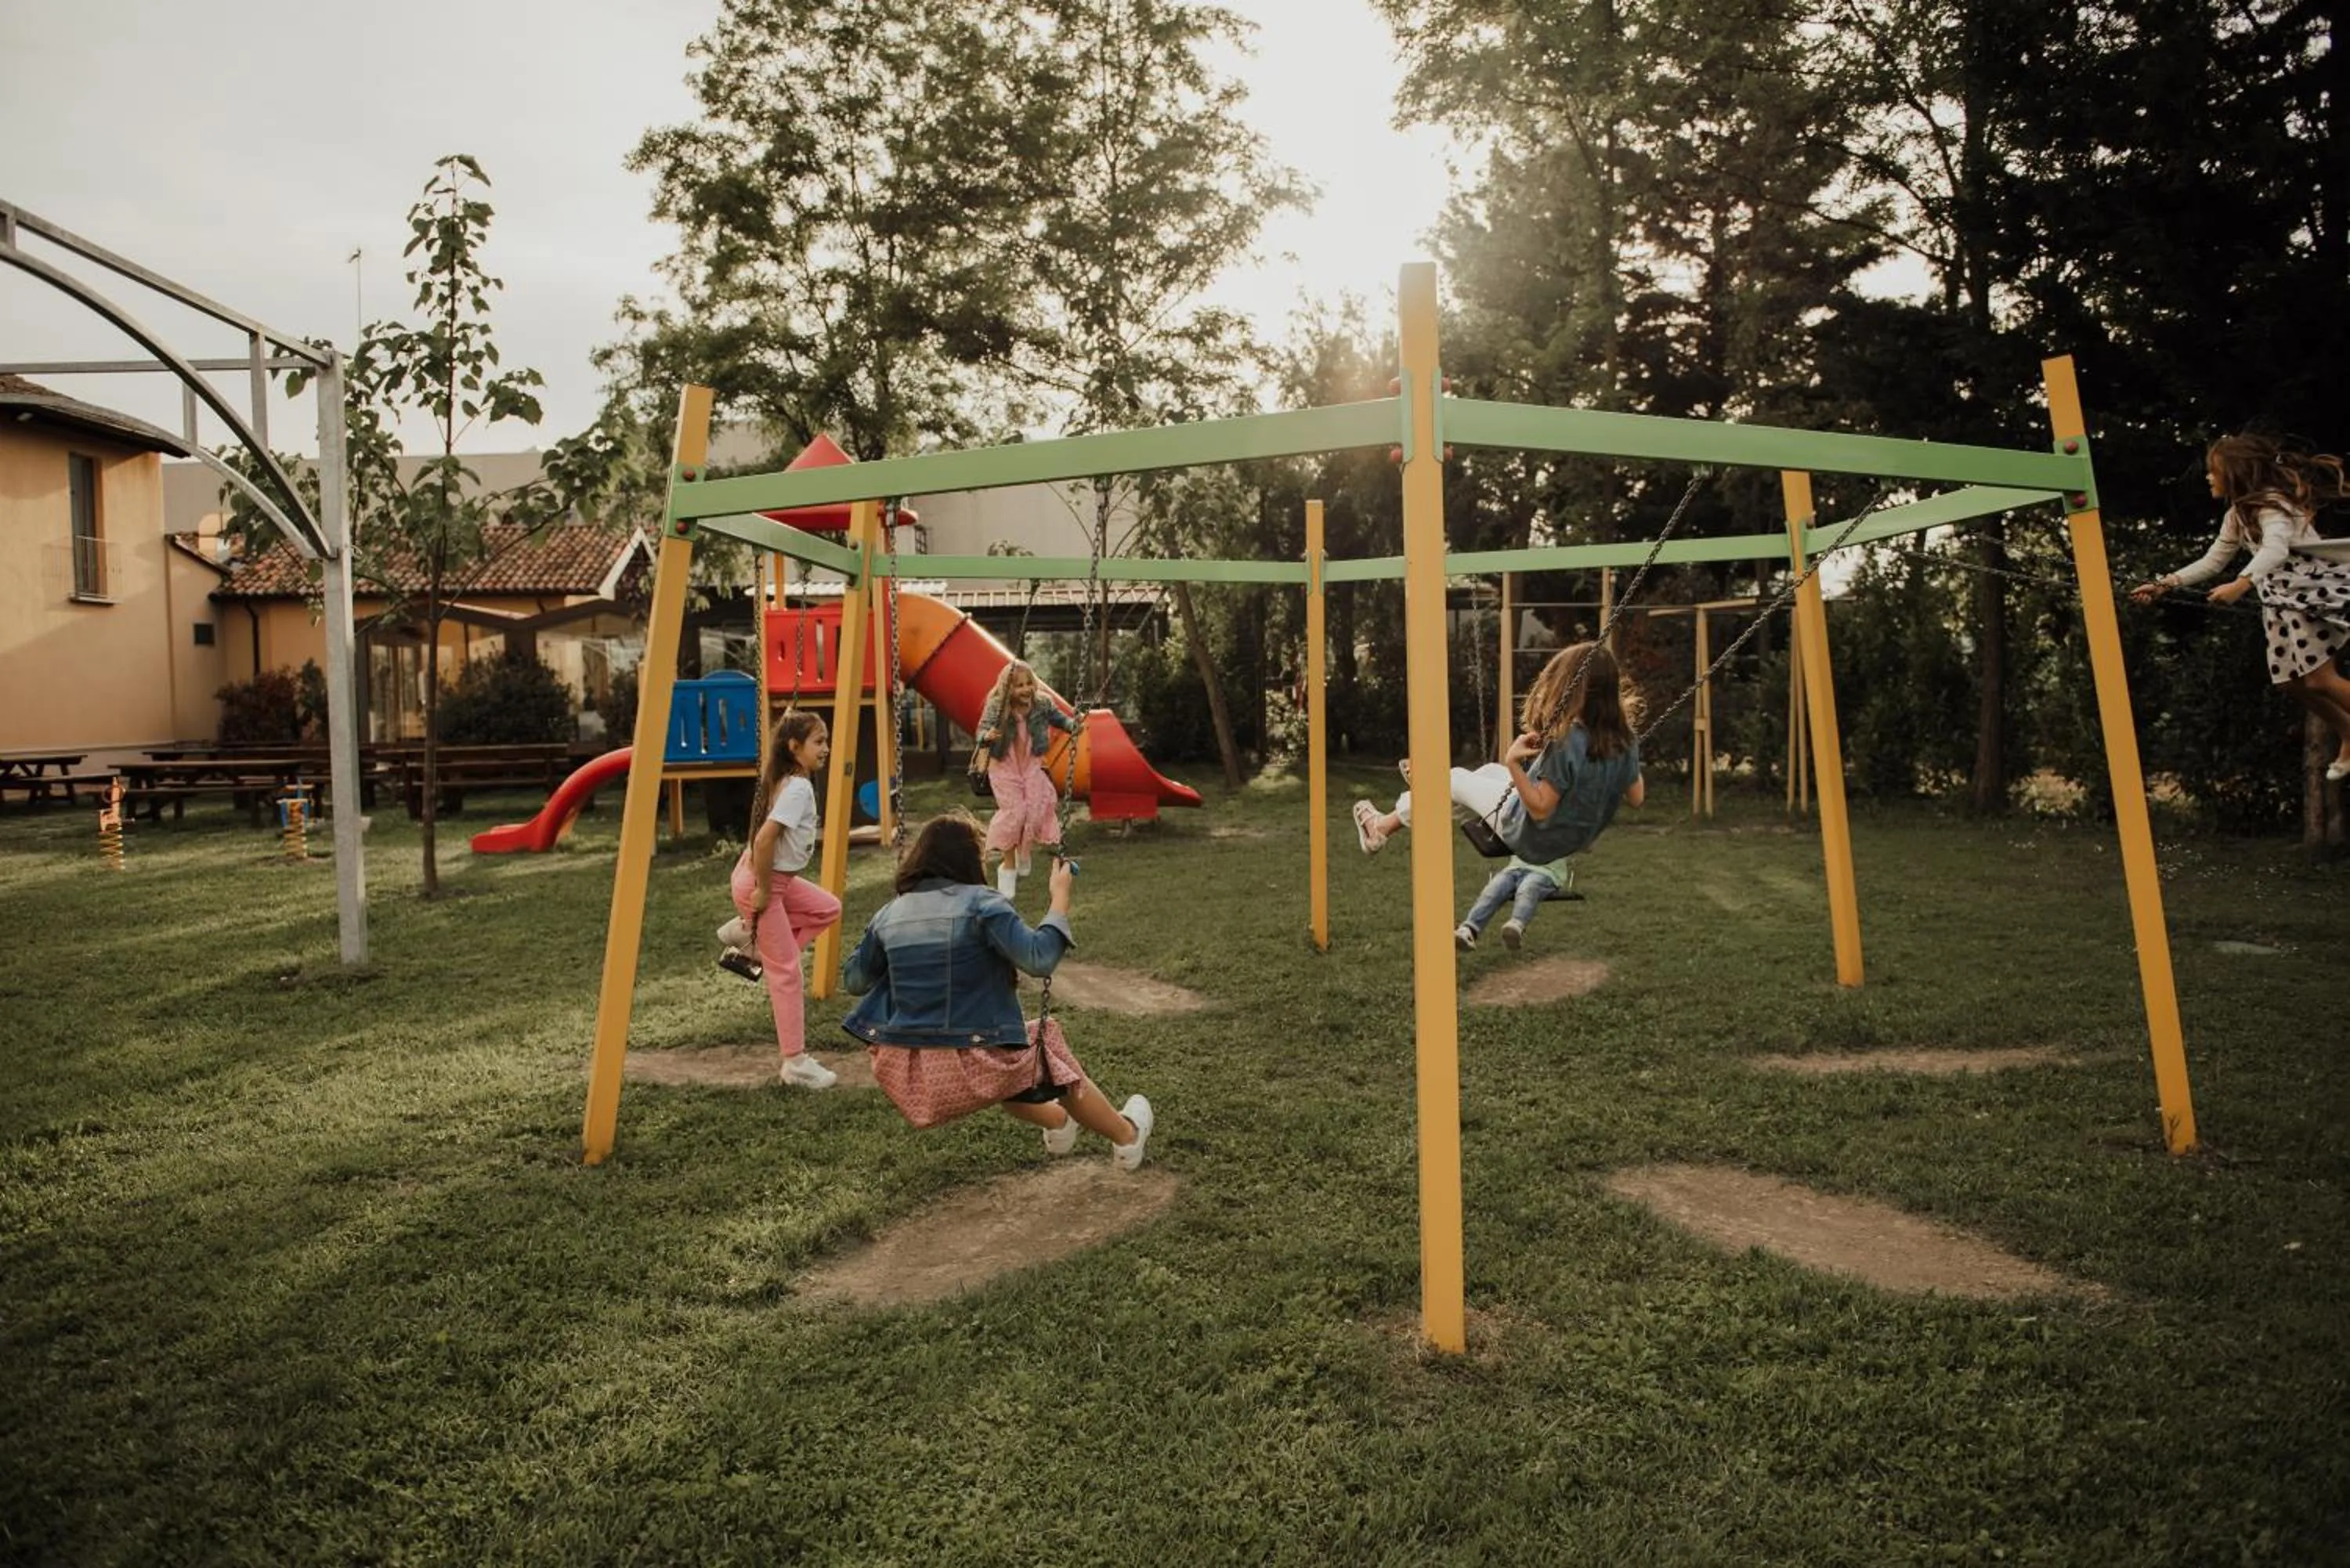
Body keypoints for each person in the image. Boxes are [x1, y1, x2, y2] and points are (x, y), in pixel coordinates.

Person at [839, 812, 1155, 1168]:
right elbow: (1038, 959)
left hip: (909, 1076)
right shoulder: (982, 903)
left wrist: (889, 935)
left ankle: (1058, 1123)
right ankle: (1127, 1137)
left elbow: (854, 981)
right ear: (969, 859)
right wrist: (1060, 899)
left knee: (1010, 1060)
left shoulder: (888, 915)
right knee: (1041, 1051)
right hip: (968, 1067)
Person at [2130, 434, 2350, 781]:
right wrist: (2164, 584)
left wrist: (2241, 584)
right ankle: (2348, 733)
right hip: (2280, 604)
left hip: (2309, 596)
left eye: (2213, 471)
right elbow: (2213, 560)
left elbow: (2276, 549)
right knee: (2288, 682)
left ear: (2236, 472)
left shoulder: (2273, 506)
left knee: (2321, 680)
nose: (2208, 477)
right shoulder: (2237, 515)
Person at [1353, 640, 1647, 864]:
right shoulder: (1625, 739)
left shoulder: (1568, 741)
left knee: (1454, 780)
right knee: (1487, 774)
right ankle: (1395, 818)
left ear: (1570, 688)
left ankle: (1400, 809)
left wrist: (1514, 762)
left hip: (1535, 837)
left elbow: (1540, 809)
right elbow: (1636, 798)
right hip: (1575, 836)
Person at [725, 710, 844, 1089]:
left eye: (826, 740)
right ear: (795, 748)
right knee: (788, 972)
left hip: (772, 880)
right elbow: (763, 840)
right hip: (764, 882)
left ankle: (753, 942)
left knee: (828, 908)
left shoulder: (790, 779)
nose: (826, 748)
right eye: (818, 742)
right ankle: (795, 1062)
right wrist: (762, 889)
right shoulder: (797, 788)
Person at [973, 660, 1083, 899]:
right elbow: (981, 730)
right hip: (1004, 766)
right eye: (1018, 685)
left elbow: (1059, 719)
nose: (1025, 689)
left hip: (1031, 764)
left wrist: (1073, 725)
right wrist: (986, 736)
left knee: (1034, 808)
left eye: (1028, 683)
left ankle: (1025, 854)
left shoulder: (1041, 703)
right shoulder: (998, 706)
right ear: (1007, 688)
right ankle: (1008, 868)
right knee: (1016, 812)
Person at [1453, 851, 1573, 952]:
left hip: (1546, 872)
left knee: (1528, 888)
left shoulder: (1560, 826)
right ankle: (1470, 930)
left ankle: (1516, 925)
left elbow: (1583, 841)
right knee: (1492, 890)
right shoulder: (1521, 825)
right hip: (1514, 868)